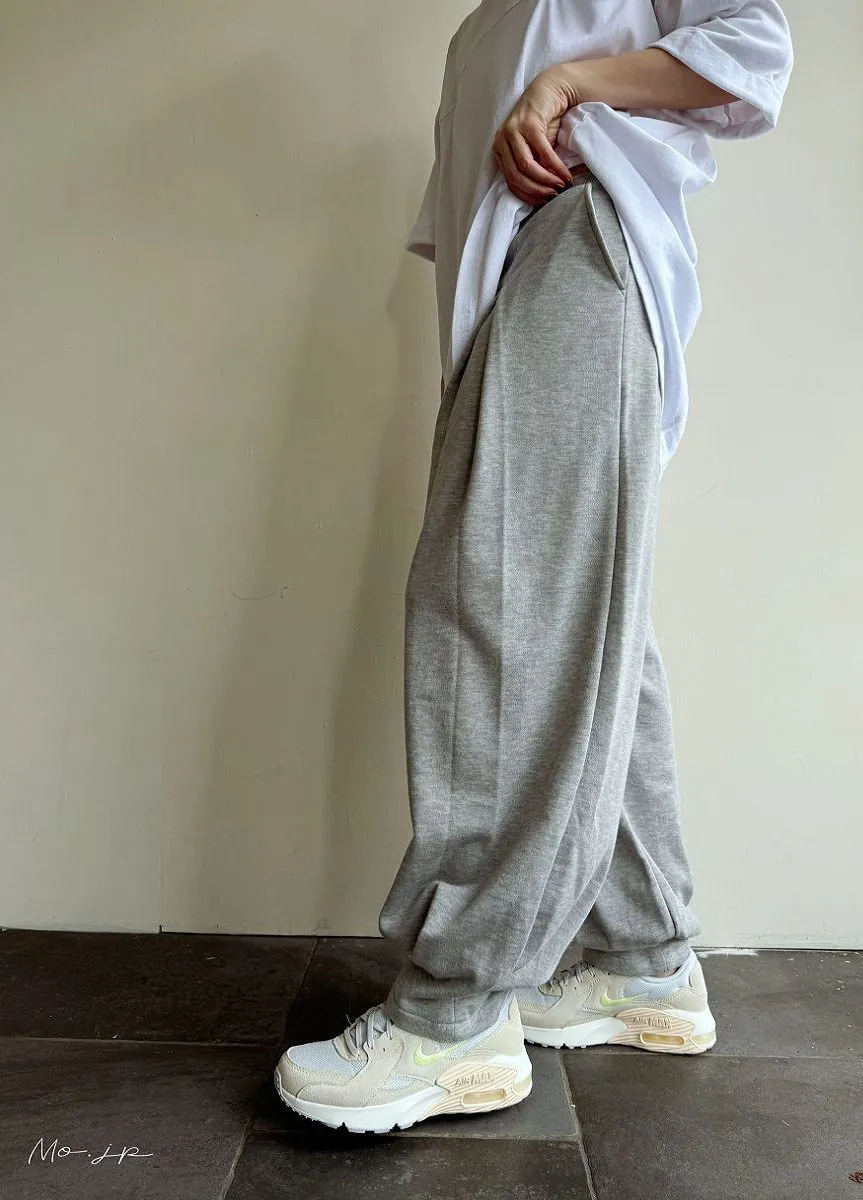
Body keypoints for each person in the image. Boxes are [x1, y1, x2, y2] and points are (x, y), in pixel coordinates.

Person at [275, 0, 793, 1134]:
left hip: (586, 258)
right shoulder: (479, 31)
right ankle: (644, 959)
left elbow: (754, 47)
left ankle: (455, 1015)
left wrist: (571, 85)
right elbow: (467, 233)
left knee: (505, 618)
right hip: (523, 298)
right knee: (589, 626)